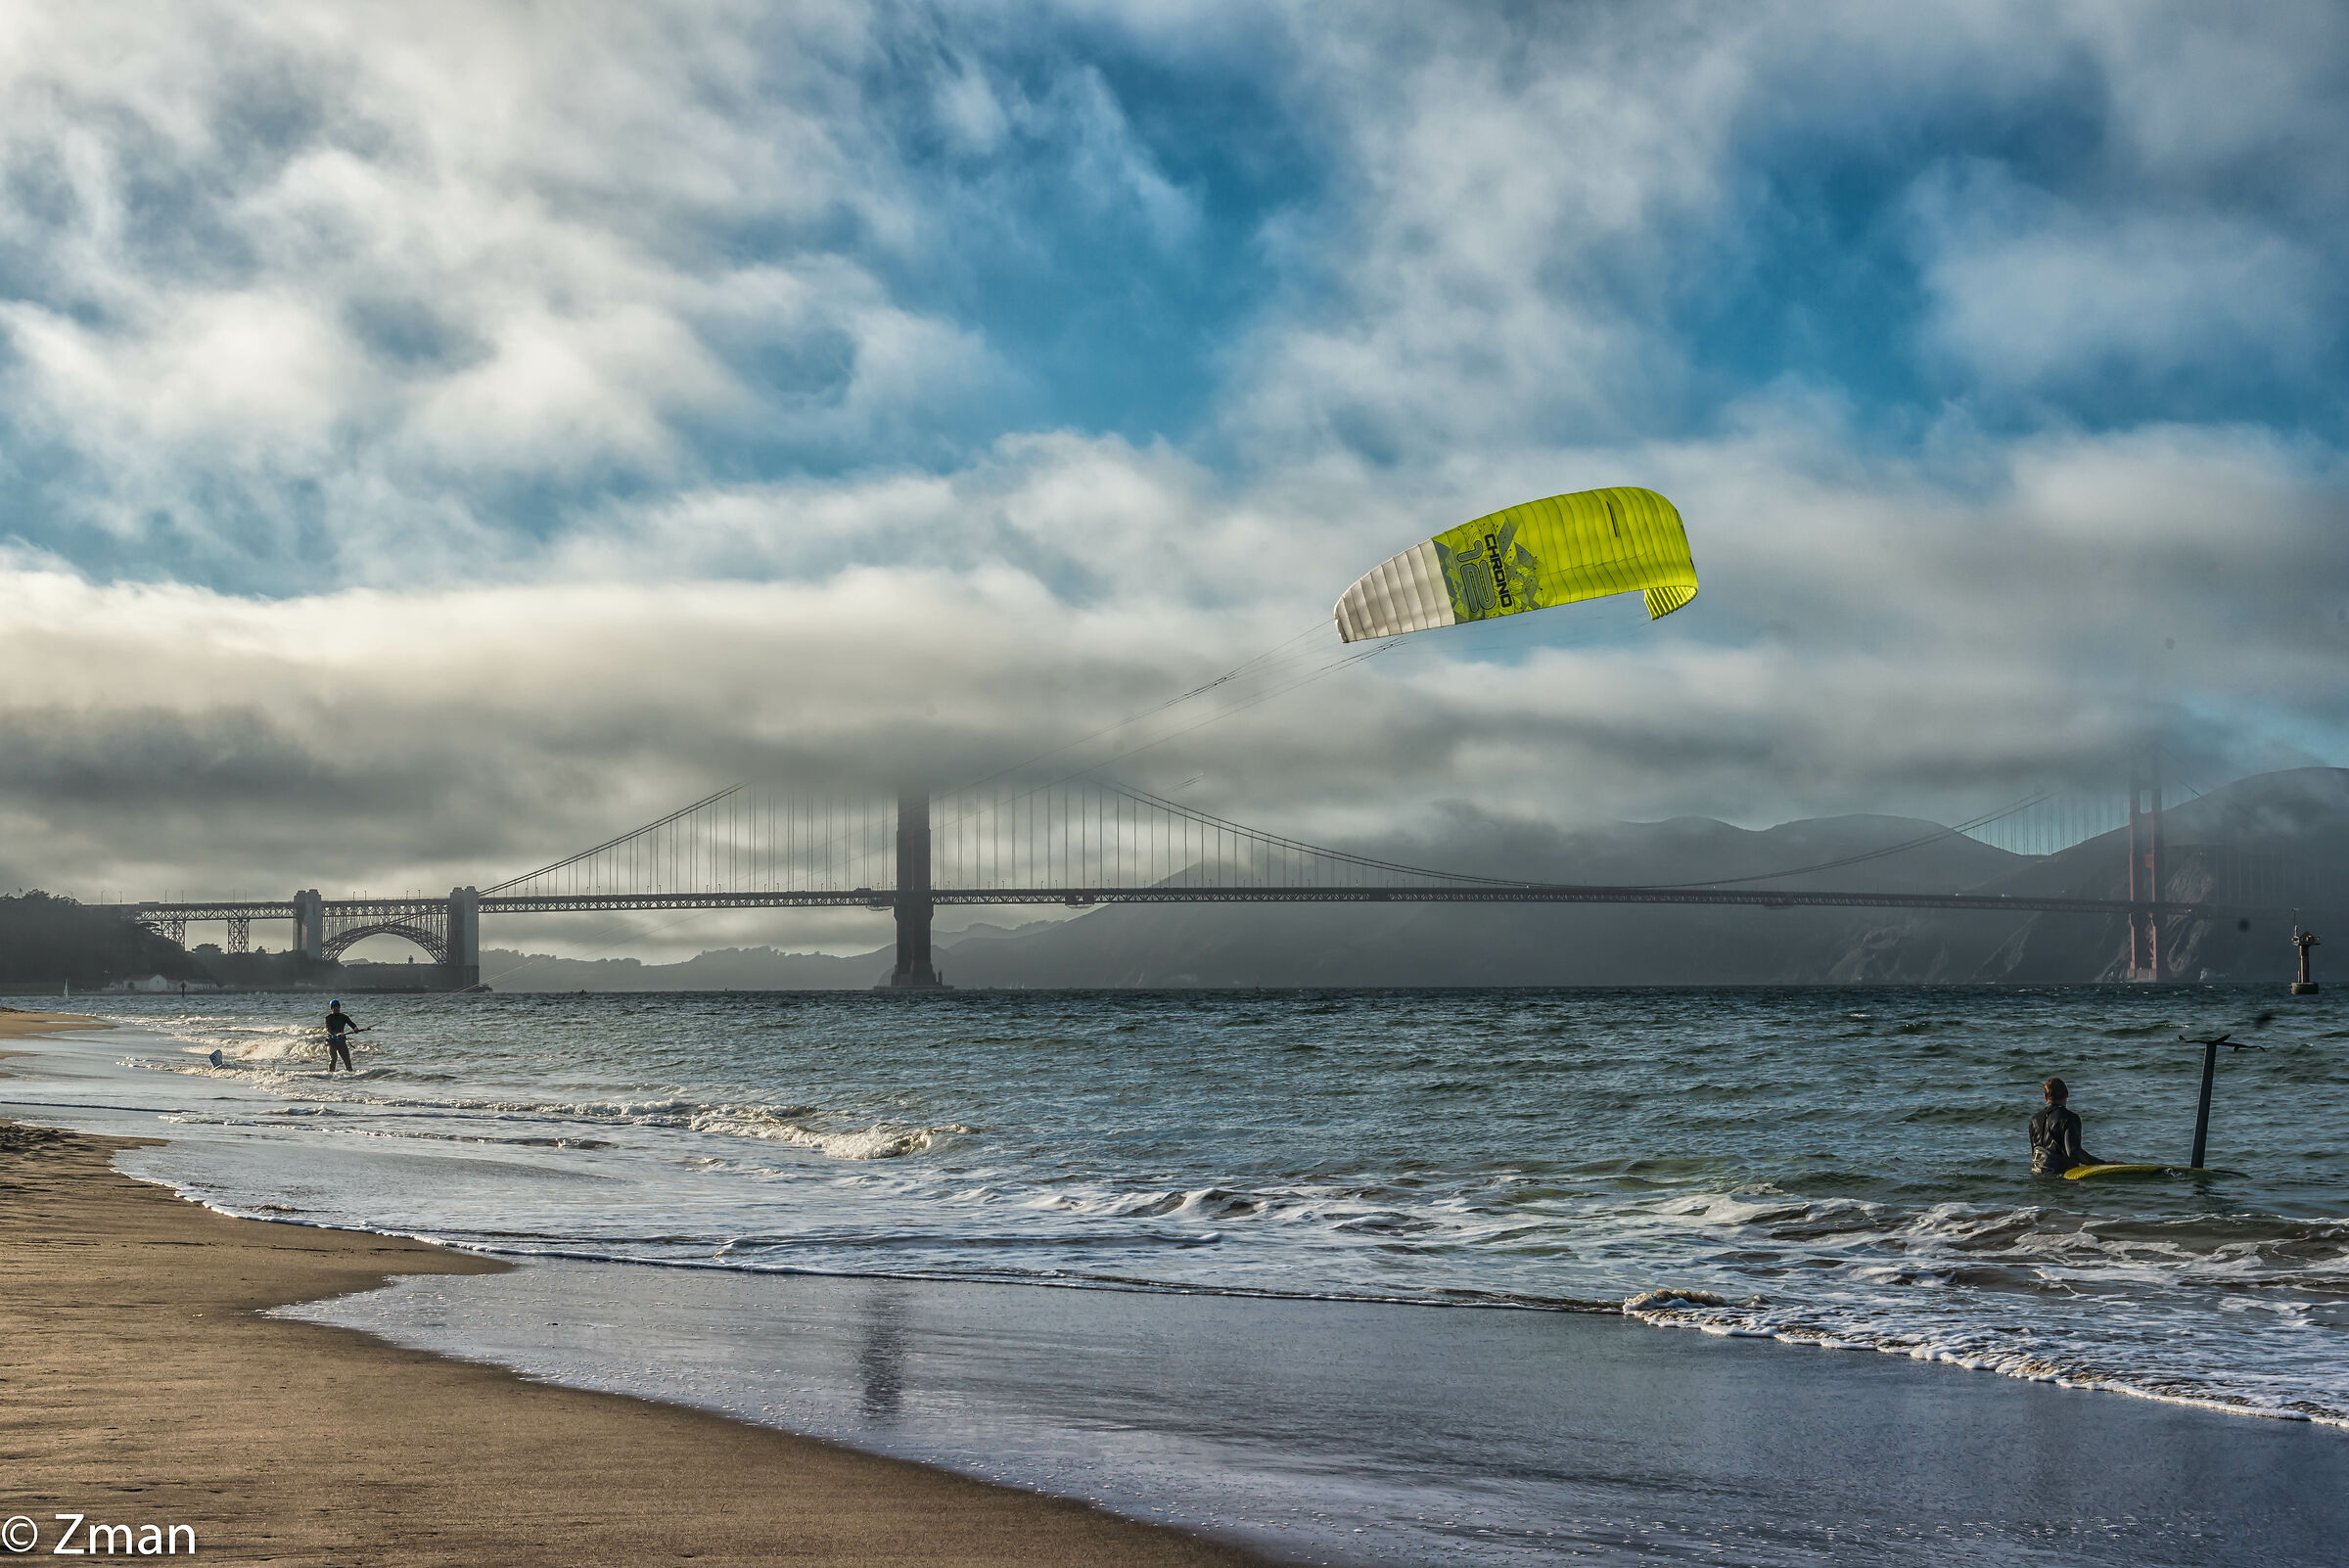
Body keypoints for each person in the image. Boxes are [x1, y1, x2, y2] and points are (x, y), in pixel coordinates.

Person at [2029, 1077, 2100, 1175]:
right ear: (2067, 1094)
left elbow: (2034, 1153)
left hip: (2037, 1176)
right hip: (2062, 1176)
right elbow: (2073, 1152)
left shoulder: (2034, 1120)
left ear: (2045, 1097)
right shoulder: (2070, 1118)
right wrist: (2102, 1163)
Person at [324, 1000, 357, 1072]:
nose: (336, 1009)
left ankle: (351, 1075)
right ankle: (330, 1075)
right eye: (334, 1007)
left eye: (337, 1007)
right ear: (331, 1008)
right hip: (331, 1041)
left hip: (341, 1041)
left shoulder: (344, 1017)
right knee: (333, 1059)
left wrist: (355, 1028)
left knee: (347, 1059)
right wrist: (336, 1034)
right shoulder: (328, 1018)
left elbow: (351, 1023)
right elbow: (328, 1029)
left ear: (339, 1007)